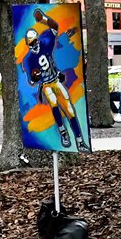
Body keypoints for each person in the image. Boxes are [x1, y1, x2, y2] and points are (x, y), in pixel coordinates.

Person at [23, 9, 90, 150]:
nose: (34, 45)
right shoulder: (28, 60)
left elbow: (54, 26)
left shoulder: (45, 41)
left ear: (38, 39)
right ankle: (63, 132)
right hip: (46, 84)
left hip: (55, 80)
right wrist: (35, 77)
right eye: (31, 43)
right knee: (53, 103)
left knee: (70, 110)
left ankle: (79, 140)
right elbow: (31, 81)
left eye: (35, 41)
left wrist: (44, 19)